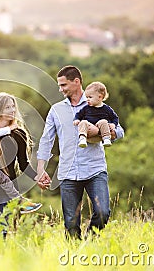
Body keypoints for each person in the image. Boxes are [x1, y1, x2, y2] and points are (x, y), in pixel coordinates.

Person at [36, 65, 124, 239]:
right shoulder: (56, 110)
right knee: (71, 223)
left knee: (103, 212)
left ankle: (90, 243)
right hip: (68, 172)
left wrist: (107, 132)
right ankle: (75, 257)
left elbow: (120, 130)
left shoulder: (99, 105)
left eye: (63, 85)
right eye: (59, 86)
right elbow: (46, 140)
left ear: (76, 82)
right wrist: (40, 169)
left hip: (95, 169)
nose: (60, 89)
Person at [73, 81, 119, 148]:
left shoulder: (107, 109)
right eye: (86, 97)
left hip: (100, 136)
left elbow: (115, 118)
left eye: (90, 97)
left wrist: (113, 124)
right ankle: (82, 139)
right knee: (83, 122)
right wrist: (76, 119)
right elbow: (78, 115)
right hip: (89, 135)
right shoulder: (86, 108)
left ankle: (106, 139)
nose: (87, 99)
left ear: (100, 97)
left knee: (103, 121)